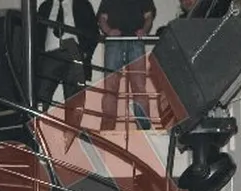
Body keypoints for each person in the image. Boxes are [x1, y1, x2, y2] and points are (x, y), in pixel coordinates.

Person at [35, 0, 98, 138]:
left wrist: (86, 53)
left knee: (74, 97)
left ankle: (71, 136)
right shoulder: (45, 6)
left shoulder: (82, 4)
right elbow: (36, 33)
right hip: (50, 54)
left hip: (74, 51)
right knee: (41, 94)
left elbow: (93, 31)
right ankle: (38, 132)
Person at [96, 0, 155, 130]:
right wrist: (108, 31)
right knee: (110, 87)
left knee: (139, 86)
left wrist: (144, 31)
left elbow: (149, 17)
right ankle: (107, 129)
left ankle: (144, 129)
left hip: (135, 41)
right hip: (114, 42)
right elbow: (102, 18)